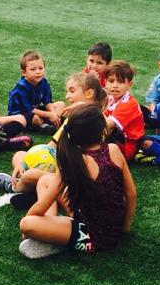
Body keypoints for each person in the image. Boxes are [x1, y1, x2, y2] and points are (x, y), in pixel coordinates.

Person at [17, 103, 137, 260]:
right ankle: (52, 229)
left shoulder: (73, 160)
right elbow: (131, 194)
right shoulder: (113, 149)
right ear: (102, 132)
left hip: (91, 237)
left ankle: (54, 239)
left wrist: (25, 230)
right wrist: (125, 229)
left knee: (28, 223)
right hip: (112, 227)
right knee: (45, 180)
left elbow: (40, 207)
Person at [0, 72, 107, 209]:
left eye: (72, 91)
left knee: (32, 174)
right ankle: (32, 190)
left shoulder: (98, 121)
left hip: (73, 177)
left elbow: (85, 163)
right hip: (58, 167)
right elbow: (51, 146)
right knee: (20, 156)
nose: (67, 96)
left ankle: (16, 187)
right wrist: (27, 162)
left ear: (88, 94)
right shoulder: (72, 119)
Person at [6, 50, 65, 134]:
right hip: (21, 114)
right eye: (33, 69)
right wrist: (49, 115)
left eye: (40, 68)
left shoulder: (43, 82)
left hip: (36, 109)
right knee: (35, 118)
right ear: (24, 73)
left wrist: (54, 114)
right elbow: (30, 110)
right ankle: (42, 126)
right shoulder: (21, 87)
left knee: (60, 104)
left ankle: (54, 121)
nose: (38, 72)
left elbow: (47, 102)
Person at [103, 60, 144, 160]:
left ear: (129, 85)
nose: (115, 85)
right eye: (111, 81)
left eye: (120, 81)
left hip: (127, 147)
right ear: (105, 83)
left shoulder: (129, 103)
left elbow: (106, 125)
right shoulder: (110, 98)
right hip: (115, 138)